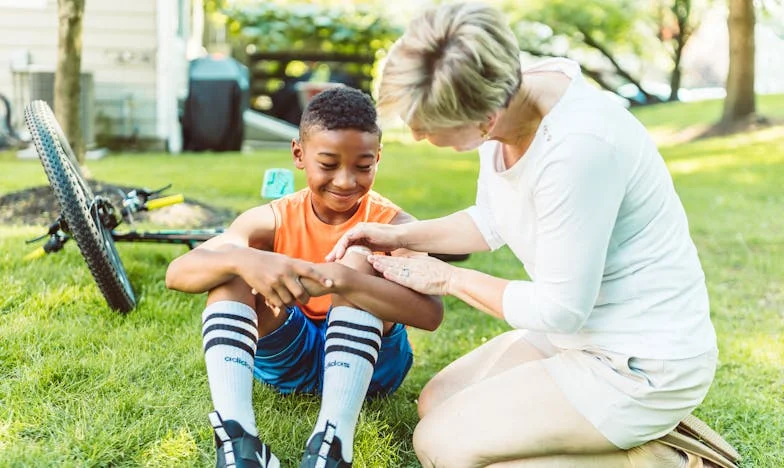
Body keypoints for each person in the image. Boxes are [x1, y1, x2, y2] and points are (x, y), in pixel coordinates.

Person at [326, 3, 722, 467]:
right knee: (437, 403)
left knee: (442, 446)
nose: (416, 136)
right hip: (576, 339)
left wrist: (447, 279)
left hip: (639, 365)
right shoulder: (503, 95)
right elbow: (494, 218)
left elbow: (560, 309)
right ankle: (622, 437)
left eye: (426, 128)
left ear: (485, 121)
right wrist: (402, 235)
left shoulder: (577, 151)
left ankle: (665, 460)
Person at [166, 86, 443, 468]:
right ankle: (241, 443)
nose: (345, 181)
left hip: (373, 369)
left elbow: (431, 313)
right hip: (289, 360)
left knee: (358, 260)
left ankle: (332, 447)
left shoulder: (395, 226)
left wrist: (341, 279)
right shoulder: (274, 217)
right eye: (328, 164)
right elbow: (178, 273)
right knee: (231, 268)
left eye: (363, 166)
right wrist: (246, 260)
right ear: (299, 154)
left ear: (378, 158)